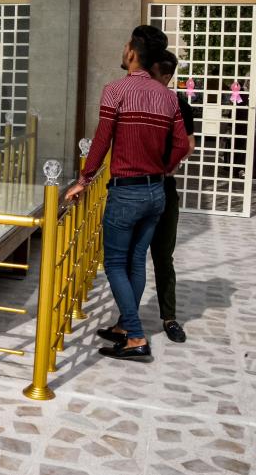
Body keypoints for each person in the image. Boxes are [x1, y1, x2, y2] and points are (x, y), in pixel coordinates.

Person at [65, 26, 191, 362]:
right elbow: (182, 144)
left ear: (133, 53)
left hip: (127, 193)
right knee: (136, 261)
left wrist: (83, 179)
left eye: (126, 46)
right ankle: (124, 327)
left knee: (115, 263)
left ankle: (135, 335)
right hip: (156, 192)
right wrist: (164, 167)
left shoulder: (116, 90)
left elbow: (101, 140)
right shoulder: (168, 97)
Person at [110, 51, 195, 344]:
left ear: (165, 75)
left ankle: (168, 317)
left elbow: (187, 145)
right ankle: (127, 322)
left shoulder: (177, 104)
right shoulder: (134, 98)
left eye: (152, 72)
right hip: (133, 186)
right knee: (131, 258)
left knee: (162, 255)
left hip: (161, 188)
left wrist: (165, 167)